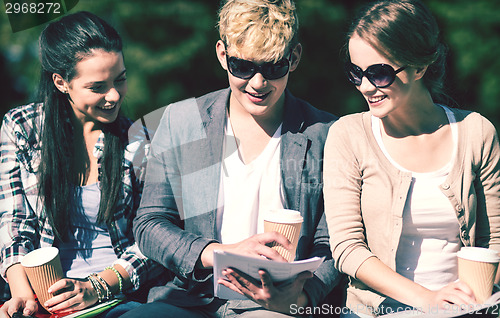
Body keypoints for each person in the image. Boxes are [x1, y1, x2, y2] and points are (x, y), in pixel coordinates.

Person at [120, 0, 340, 317]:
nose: (258, 82)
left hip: (274, 306)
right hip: (189, 298)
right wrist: (218, 252)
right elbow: (150, 224)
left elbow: (333, 243)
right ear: (222, 54)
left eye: (273, 66)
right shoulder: (181, 121)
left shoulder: (326, 133)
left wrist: (302, 299)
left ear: (294, 58)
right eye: (243, 67)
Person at [323, 0, 500, 316]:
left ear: (420, 66)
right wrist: (429, 299)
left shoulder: (477, 132)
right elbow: (347, 249)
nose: (365, 86)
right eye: (356, 72)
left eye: (379, 74)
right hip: (375, 311)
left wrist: (468, 302)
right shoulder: (348, 135)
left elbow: (495, 242)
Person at [0, 11, 165, 318]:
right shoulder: (21, 127)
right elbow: (15, 223)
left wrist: (97, 288)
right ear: (62, 83)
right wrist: (23, 297)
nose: (114, 95)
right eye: (97, 87)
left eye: (121, 79)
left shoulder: (141, 141)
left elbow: (154, 239)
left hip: (119, 296)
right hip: (41, 300)